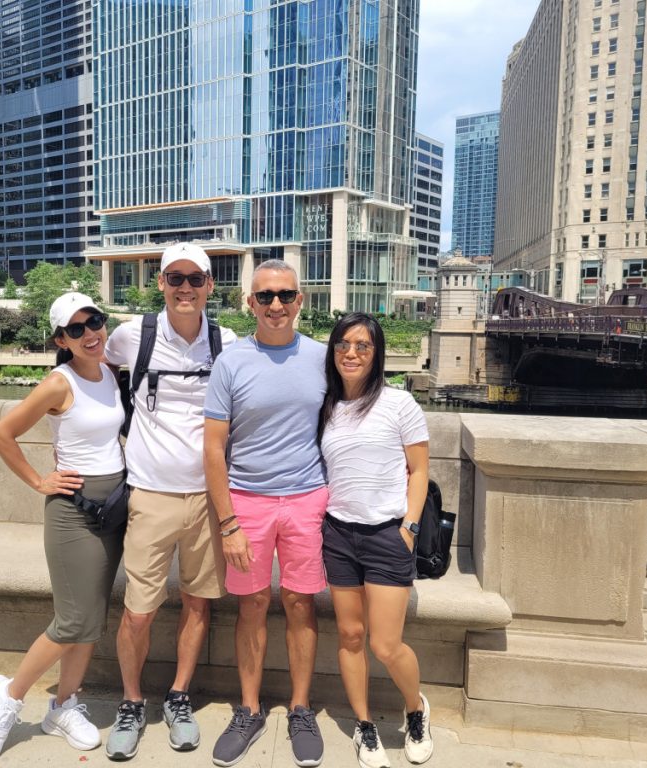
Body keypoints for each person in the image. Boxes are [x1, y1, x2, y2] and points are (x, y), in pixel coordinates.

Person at [101, 242, 237, 760]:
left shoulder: (226, 341)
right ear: (160, 283)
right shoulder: (131, 335)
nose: (185, 288)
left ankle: (179, 696)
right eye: (175, 278)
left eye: (195, 278)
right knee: (138, 611)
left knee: (198, 603)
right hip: (150, 493)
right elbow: (87, 368)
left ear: (209, 285)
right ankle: (132, 701)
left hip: (208, 498)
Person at [0, 292, 125, 760]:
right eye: (76, 330)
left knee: (91, 621)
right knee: (73, 619)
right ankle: (9, 696)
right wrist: (40, 480)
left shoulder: (110, 373)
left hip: (112, 510)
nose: (90, 334)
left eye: (94, 322)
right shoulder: (59, 384)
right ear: (62, 340)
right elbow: (1, 434)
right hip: (73, 513)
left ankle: (63, 706)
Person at [204, 259, 328, 768]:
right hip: (247, 500)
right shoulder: (230, 362)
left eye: (285, 295)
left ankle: (301, 709)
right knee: (252, 604)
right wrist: (228, 522)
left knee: (300, 603)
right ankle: (249, 709)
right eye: (265, 296)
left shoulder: (323, 358)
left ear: (300, 300)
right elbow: (213, 449)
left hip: (308, 498)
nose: (275, 304)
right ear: (249, 302)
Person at [318, 312, 433, 768]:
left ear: (376, 353)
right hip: (338, 533)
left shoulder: (399, 403)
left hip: (387, 534)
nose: (351, 353)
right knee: (350, 636)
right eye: (343, 344)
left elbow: (419, 471)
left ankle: (416, 709)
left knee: (385, 644)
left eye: (362, 346)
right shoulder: (326, 406)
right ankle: (364, 726)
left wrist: (409, 528)